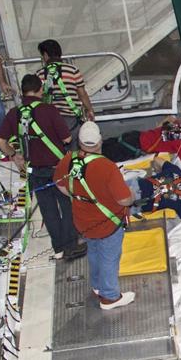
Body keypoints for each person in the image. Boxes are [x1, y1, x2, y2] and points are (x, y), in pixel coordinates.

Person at [0, 75, 84, 260]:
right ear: (40, 90)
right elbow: (67, 138)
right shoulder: (49, 110)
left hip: (34, 170)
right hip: (58, 168)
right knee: (67, 205)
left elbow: (0, 140)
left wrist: (13, 155)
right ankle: (71, 246)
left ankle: (58, 248)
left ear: (22, 91)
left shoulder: (14, 113)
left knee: (48, 209)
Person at [56, 123, 136, 311]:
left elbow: (60, 185)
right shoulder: (107, 167)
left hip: (83, 222)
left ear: (80, 142)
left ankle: (97, 285)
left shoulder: (68, 160)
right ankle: (109, 297)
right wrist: (132, 195)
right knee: (109, 257)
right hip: (107, 224)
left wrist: (78, 197)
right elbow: (124, 200)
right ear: (100, 141)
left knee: (94, 252)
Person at [36, 39, 96, 134]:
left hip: (50, 120)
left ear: (46, 55)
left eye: (42, 55)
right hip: (71, 119)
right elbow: (82, 94)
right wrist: (90, 110)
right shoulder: (72, 70)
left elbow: (38, 97)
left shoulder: (39, 74)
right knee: (74, 146)